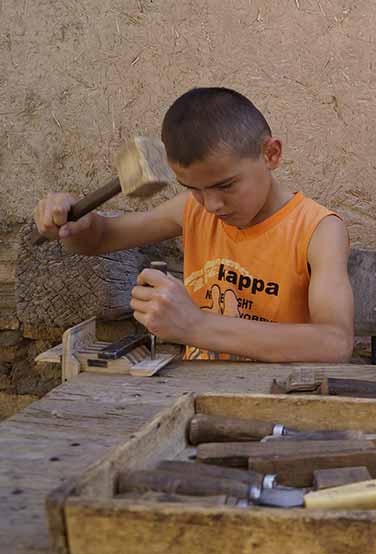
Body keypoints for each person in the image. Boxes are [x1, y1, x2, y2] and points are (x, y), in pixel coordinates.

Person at [33, 87, 354, 362]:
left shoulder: (318, 229)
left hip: (276, 400)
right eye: (193, 189)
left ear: (270, 154)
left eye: (226, 186)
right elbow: (100, 239)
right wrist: (73, 223)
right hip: (195, 393)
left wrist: (195, 326)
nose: (212, 204)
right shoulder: (193, 210)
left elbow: (335, 343)